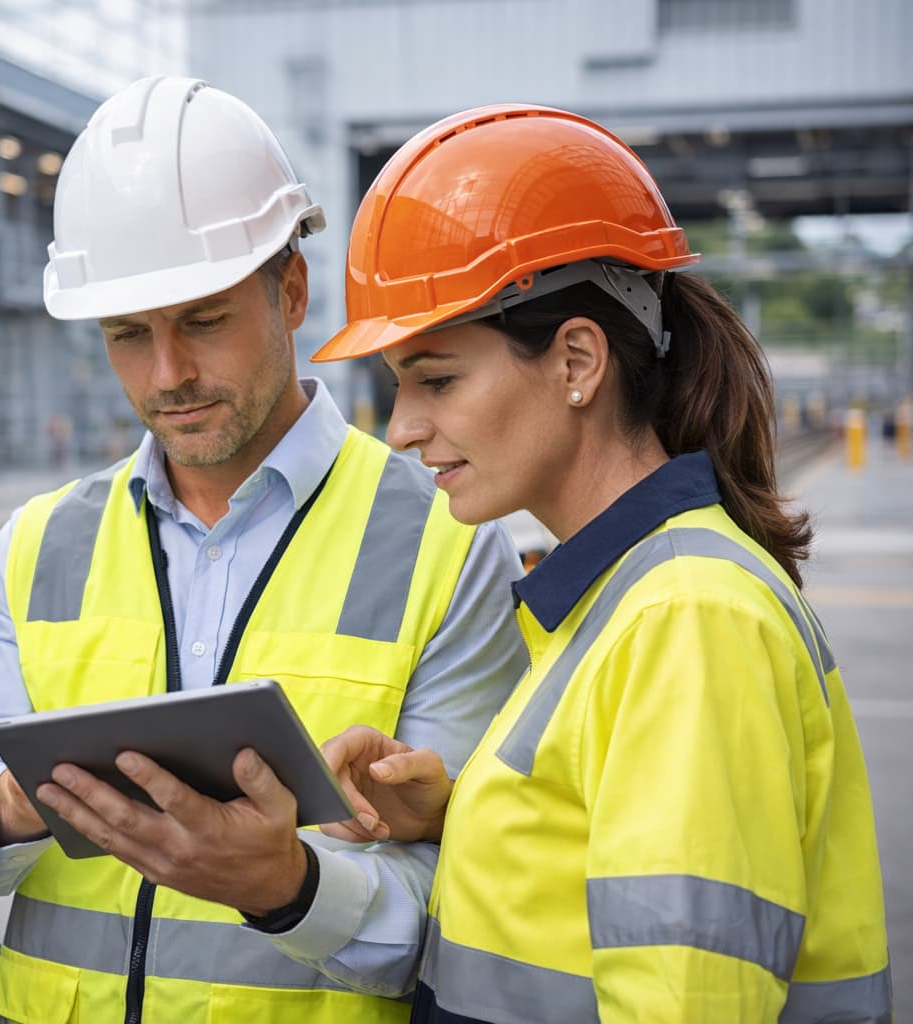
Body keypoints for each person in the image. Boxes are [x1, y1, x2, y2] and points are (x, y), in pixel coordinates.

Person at [0, 75, 528, 1022]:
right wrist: (29, 803)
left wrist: (290, 886)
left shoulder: (447, 540)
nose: (168, 373)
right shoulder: (42, 542)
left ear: (292, 291)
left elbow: (472, 912)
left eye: (204, 320)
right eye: (127, 335)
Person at [314, 103, 890, 1023]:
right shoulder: (623, 597)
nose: (405, 430)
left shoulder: (687, 620)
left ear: (578, 359)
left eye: (438, 380)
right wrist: (463, 815)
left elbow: (688, 1000)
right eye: (399, 390)